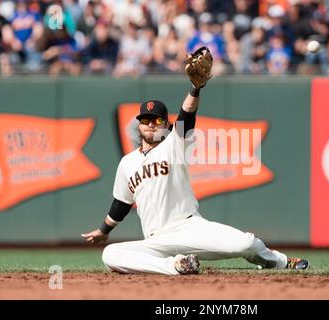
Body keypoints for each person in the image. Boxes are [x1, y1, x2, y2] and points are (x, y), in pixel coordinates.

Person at [81, 47, 310, 275]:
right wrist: (104, 230)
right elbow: (121, 203)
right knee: (110, 254)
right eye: (146, 119)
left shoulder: (174, 144)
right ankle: (177, 266)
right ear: (139, 125)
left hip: (189, 227)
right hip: (156, 239)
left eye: (157, 119)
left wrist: (195, 88)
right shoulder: (127, 163)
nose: (151, 124)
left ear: (165, 125)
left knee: (245, 243)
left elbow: (186, 116)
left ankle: (279, 261)